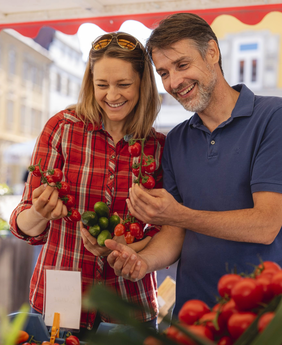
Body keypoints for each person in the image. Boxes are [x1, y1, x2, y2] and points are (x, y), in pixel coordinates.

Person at [105, 12, 282, 319]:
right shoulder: (176, 141)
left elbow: (266, 225)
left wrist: (179, 214)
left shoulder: (273, 118)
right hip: (191, 317)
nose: (173, 82)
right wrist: (143, 262)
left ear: (212, 52)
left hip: (260, 318)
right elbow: (175, 233)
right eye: (163, 73)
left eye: (182, 65)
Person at [8, 32, 165, 339]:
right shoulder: (62, 128)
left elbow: (163, 230)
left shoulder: (158, 147)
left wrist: (127, 251)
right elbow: (21, 224)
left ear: (142, 84)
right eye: (102, 84)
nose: (111, 95)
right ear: (90, 83)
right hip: (61, 302)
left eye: (123, 84)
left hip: (129, 305)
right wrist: (40, 212)